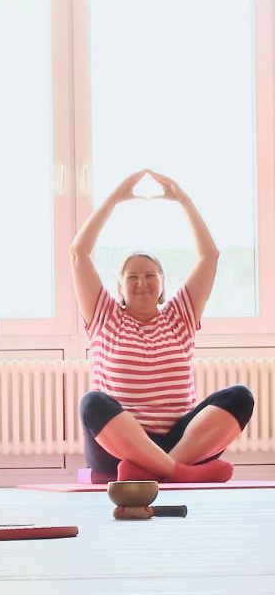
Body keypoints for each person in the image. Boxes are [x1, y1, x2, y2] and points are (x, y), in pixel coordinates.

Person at [72, 169, 255, 483]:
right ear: (120, 287)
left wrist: (183, 200)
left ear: (162, 283)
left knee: (240, 396)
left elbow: (209, 256)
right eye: (132, 276)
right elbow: (79, 253)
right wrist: (115, 198)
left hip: (181, 441)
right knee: (92, 402)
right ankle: (177, 473)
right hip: (120, 448)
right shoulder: (105, 315)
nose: (141, 282)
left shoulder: (179, 315)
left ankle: (160, 469)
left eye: (150, 275)